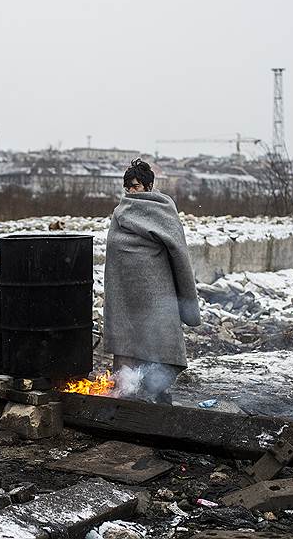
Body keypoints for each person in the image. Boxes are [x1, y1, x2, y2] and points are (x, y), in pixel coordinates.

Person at [103, 158, 201, 404]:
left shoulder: (163, 209)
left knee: (158, 336)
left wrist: (186, 296)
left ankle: (159, 390)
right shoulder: (120, 212)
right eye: (127, 186)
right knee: (129, 337)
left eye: (135, 186)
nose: (130, 191)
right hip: (125, 288)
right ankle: (127, 391)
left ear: (148, 186)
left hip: (157, 289)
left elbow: (178, 252)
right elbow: (115, 247)